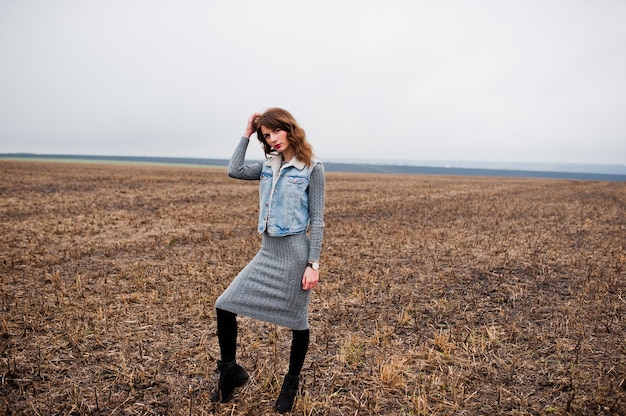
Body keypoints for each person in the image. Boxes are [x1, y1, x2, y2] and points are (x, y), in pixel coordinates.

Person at [211, 108, 325, 413]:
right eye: (266, 135)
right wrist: (247, 133)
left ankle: (291, 382)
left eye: (275, 132)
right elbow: (234, 169)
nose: (271, 139)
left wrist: (313, 265)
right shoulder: (267, 165)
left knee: (297, 322)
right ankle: (230, 371)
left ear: (289, 129)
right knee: (225, 304)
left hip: (295, 255)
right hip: (267, 252)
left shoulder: (311, 168)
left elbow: (319, 220)